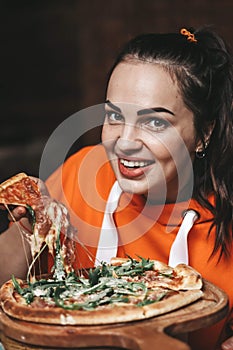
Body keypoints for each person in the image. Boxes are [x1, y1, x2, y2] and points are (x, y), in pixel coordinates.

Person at [0, 26, 233, 350]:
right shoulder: (83, 171)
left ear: (204, 133)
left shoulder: (224, 221)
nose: (125, 143)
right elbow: (9, 291)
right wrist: (26, 228)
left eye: (154, 122)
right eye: (113, 116)